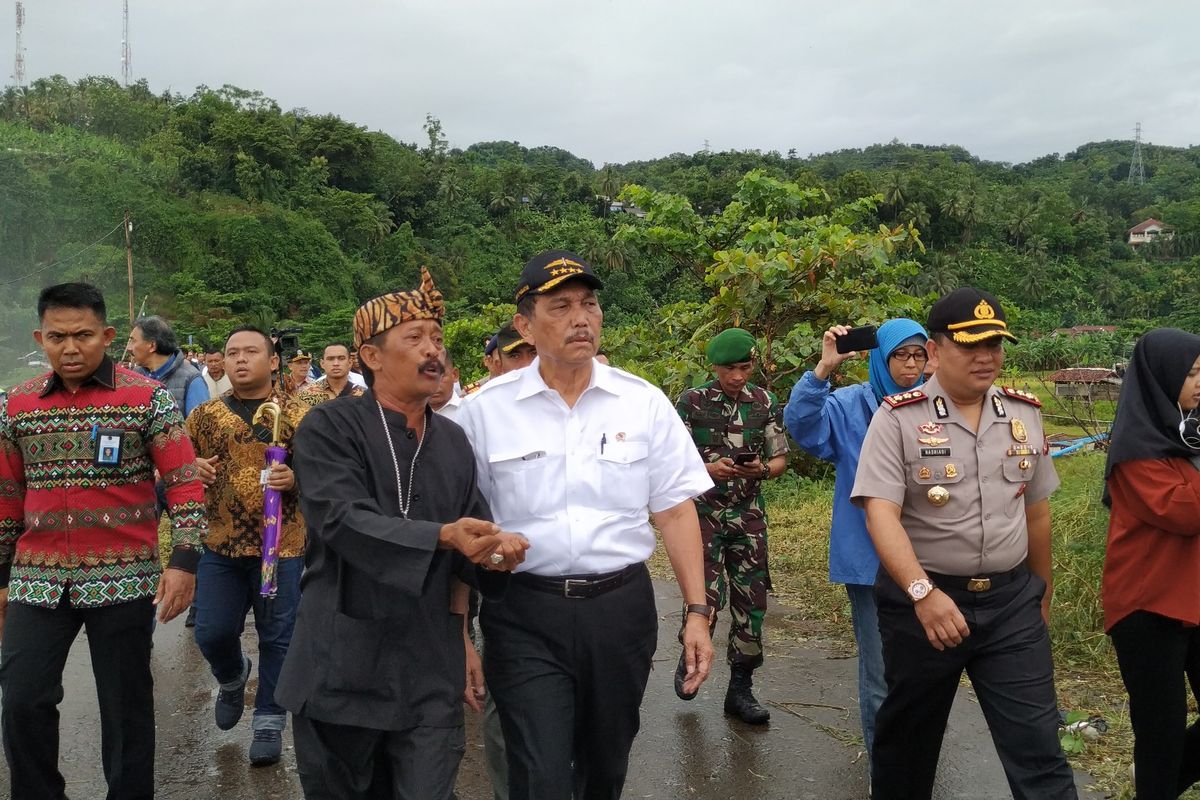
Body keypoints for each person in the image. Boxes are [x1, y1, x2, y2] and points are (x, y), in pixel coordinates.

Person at [457, 250, 715, 800]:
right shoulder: (482, 412)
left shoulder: (641, 402)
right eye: (562, 306)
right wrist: (460, 631)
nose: (581, 318)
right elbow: (464, 527)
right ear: (524, 325)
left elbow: (674, 510)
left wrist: (697, 612)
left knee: (606, 763)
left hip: (619, 611)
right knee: (541, 771)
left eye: (590, 304)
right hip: (524, 612)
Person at [275, 267, 529, 800]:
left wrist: (495, 554)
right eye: (415, 338)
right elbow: (341, 520)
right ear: (371, 356)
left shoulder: (454, 441)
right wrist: (444, 536)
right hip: (340, 662)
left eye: (437, 338)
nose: (432, 350)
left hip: (428, 664)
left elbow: (470, 543)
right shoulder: (330, 426)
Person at [851, 287, 1077, 799]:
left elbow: (1035, 511)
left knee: (1039, 748)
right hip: (924, 606)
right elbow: (880, 514)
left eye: (995, 345)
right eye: (970, 345)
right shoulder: (898, 419)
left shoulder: (1025, 414)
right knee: (907, 749)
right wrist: (921, 593)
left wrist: (1041, 592)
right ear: (934, 351)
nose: (986, 357)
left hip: (1010, 603)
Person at [0, 283, 205, 799]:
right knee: (22, 699)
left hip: (123, 575)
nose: (71, 348)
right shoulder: (18, 405)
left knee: (125, 704)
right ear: (39, 338)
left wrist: (183, 561)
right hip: (37, 578)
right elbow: (6, 496)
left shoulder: (146, 398)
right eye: (57, 337)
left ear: (107, 335)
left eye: (83, 336)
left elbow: (184, 481)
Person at [783, 318, 928, 758]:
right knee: (881, 673)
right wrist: (824, 369)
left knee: (925, 671)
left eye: (919, 354)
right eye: (900, 355)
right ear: (880, 358)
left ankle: (914, 766)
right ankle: (885, 774)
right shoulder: (849, 406)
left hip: (931, 558)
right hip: (871, 564)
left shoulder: (933, 405)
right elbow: (802, 427)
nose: (910, 365)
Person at [186, 326, 310, 765]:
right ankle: (233, 675)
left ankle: (269, 719)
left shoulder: (298, 414)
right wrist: (191, 469)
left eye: (251, 352)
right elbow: (177, 471)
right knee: (212, 630)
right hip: (220, 545)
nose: (240, 359)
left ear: (273, 360)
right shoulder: (203, 417)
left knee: (279, 635)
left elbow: (328, 472)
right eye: (232, 352)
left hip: (284, 547)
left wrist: (298, 478)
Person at [1102, 328, 1200, 799]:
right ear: (1161, 377)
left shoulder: (1189, 435)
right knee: (1160, 729)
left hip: (1193, 599)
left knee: (1166, 744)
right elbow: (1184, 513)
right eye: (1192, 372)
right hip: (1148, 607)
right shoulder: (1136, 450)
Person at [675, 327, 789, 724]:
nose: (737, 377)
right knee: (704, 597)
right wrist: (708, 469)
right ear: (713, 367)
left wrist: (762, 470)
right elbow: (672, 461)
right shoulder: (692, 402)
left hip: (748, 516)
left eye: (744, 368)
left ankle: (740, 688)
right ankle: (691, 658)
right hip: (702, 516)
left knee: (751, 602)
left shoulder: (765, 401)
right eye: (729, 369)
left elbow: (779, 458)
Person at [128, 314, 210, 416]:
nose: (128, 348)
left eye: (133, 340)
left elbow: (200, 428)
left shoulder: (192, 379)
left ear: (152, 345)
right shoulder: (134, 376)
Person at [299, 343, 365, 407]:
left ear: (350, 363)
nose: (336, 363)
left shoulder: (362, 395)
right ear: (322, 363)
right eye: (330, 359)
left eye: (341, 358)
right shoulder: (307, 395)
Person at [431, 349, 462, 421]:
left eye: (441, 376)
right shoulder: (410, 420)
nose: (433, 385)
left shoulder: (471, 411)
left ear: (454, 375)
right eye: (425, 377)